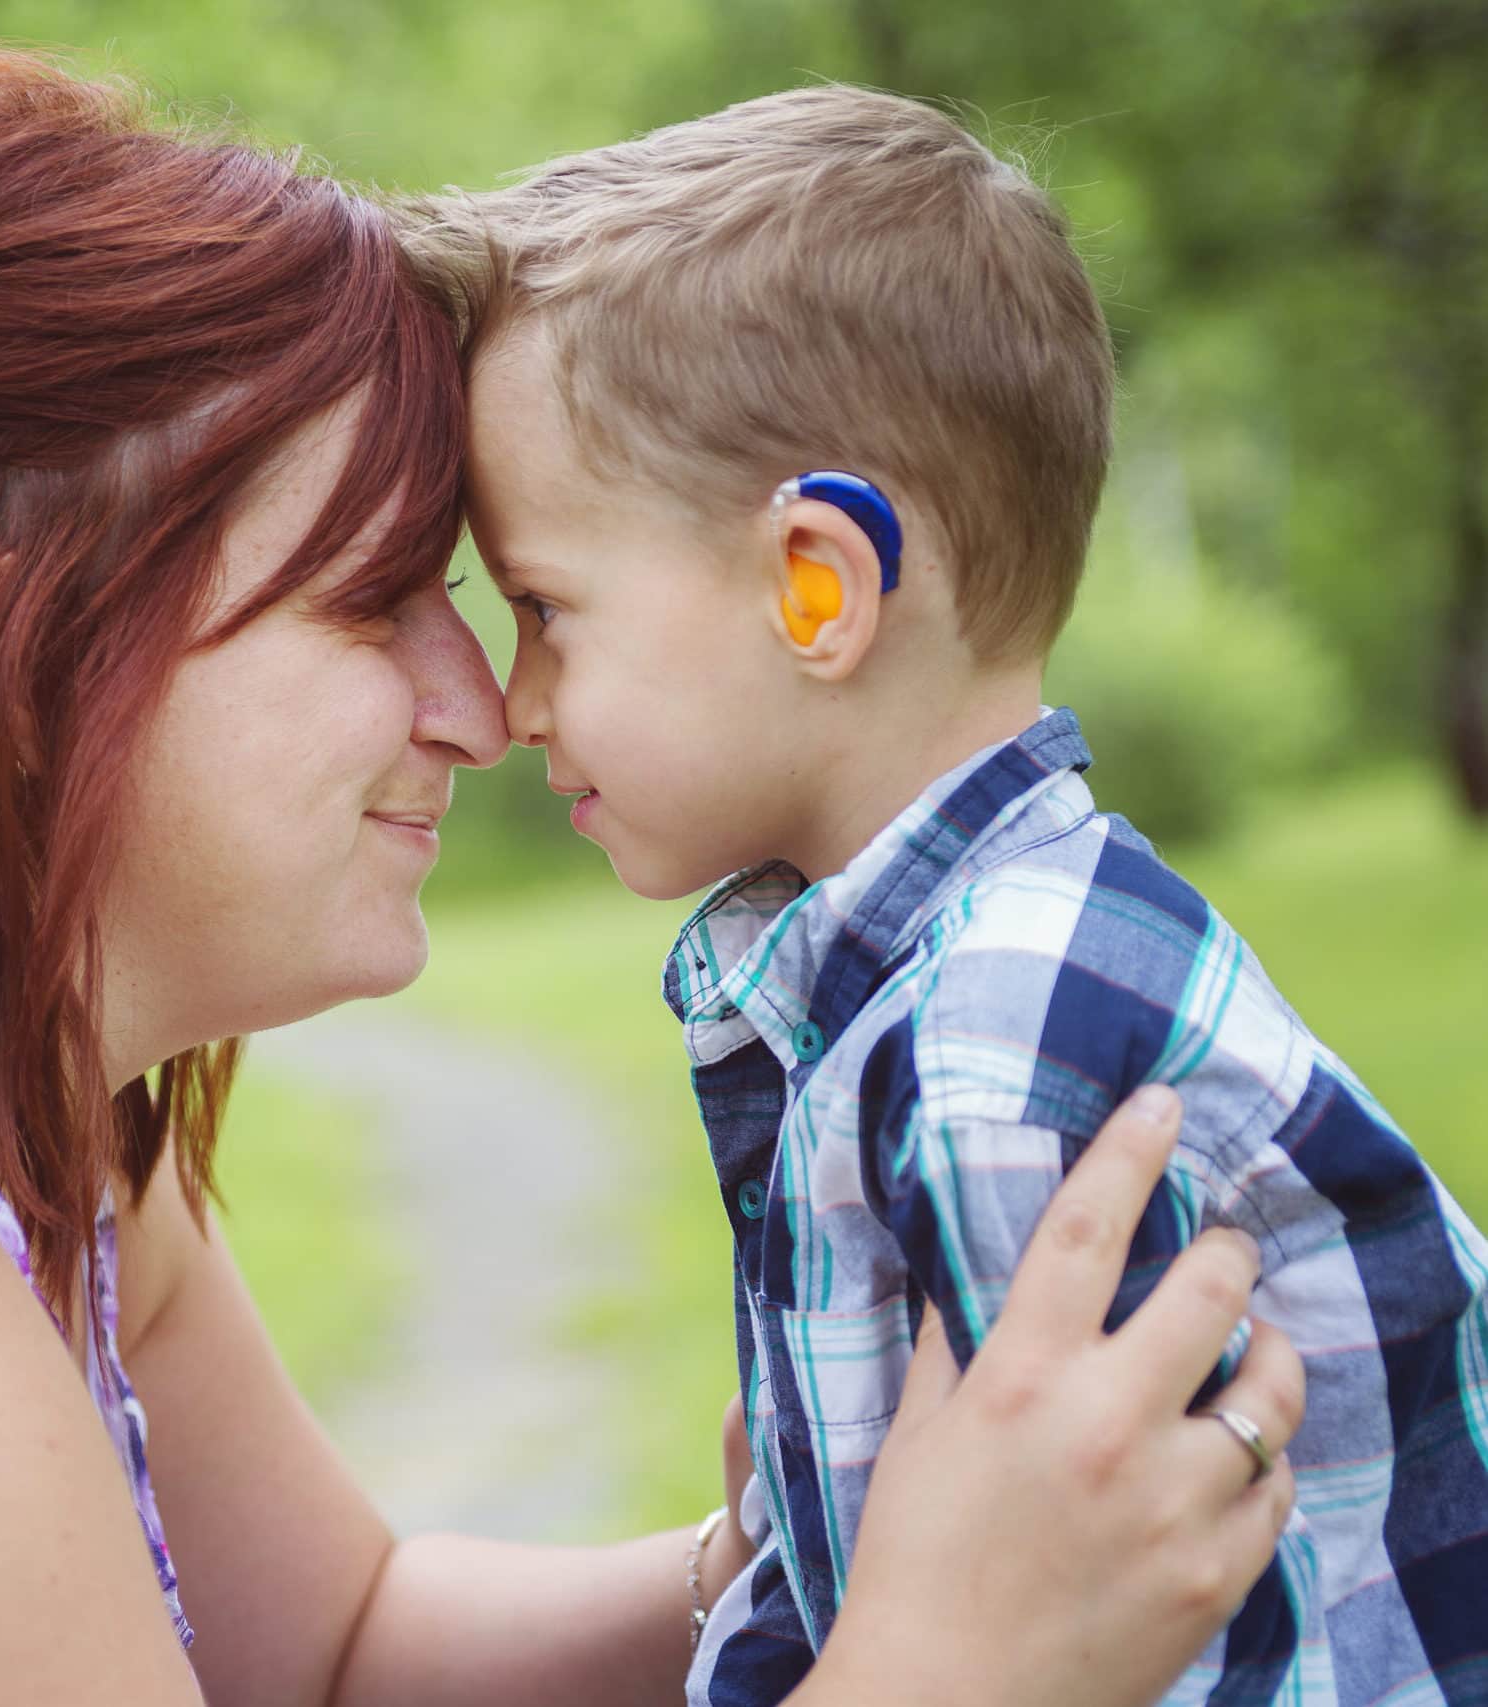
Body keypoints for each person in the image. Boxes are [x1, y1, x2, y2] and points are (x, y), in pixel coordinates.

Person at [0, 51, 1304, 1706]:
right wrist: (944, 1666)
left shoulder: (10, 1103)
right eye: (373, 600)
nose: (480, 709)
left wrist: (799, 1561)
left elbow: (334, 1648)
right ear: (10, 655)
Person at [409, 82, 1488, 1707]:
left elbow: (1136, 1636)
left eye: (547, 608)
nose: (511, 701)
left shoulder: (1001, 1050)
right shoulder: (937, 983)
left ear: (815, 585)